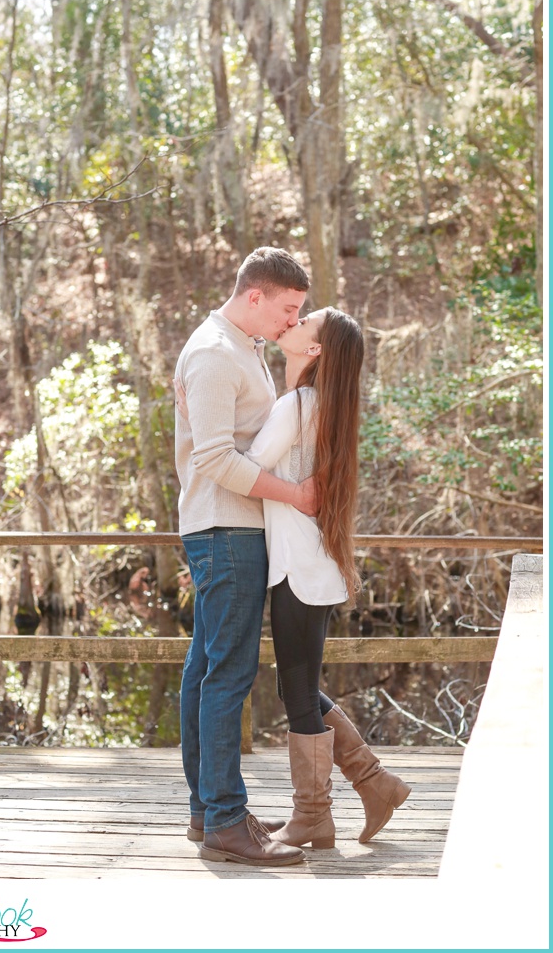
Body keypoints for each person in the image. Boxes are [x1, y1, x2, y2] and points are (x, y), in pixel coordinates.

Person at [246, 307, 411, 848]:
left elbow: (245, 466)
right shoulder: (325, 406)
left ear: (312, 351)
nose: (289, 325)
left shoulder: (297, 405)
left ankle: (314, 815)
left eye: (302, 323)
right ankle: (373, 782)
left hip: (296, 564)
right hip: (313, 563)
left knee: (296, 690)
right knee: (299, 686)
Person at [173, 246, 316, 867]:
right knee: (228, 673)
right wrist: (296, 495)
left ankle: (210, 809)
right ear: (254, 296)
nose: (291, 322)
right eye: (288, 309)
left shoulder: (245, 348)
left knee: (206, 666)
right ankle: (226, 820)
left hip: (233, 529)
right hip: (225, 530)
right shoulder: (213, 353)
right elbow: (214, 460)